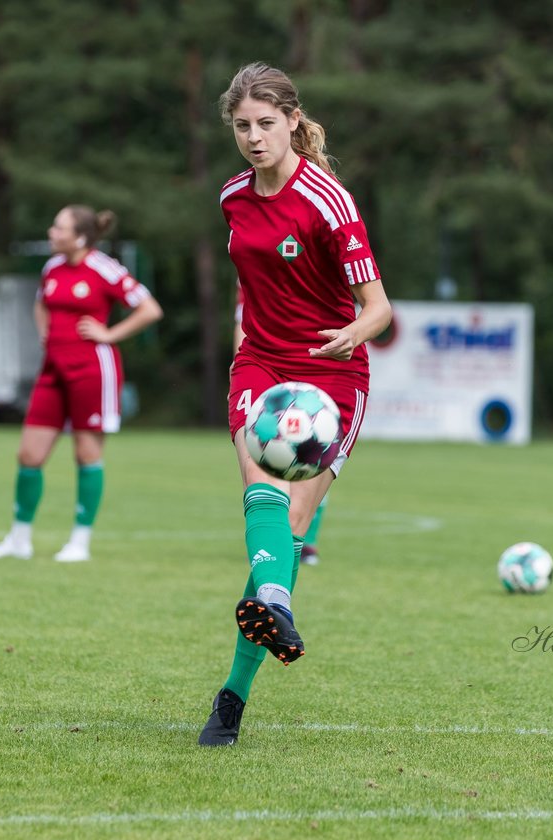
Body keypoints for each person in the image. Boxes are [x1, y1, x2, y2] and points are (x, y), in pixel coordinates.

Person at [199, 63, 392, 746]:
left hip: (333, 373)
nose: (254, 137)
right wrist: (241, 342)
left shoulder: (328, 201)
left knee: (290, 531)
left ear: (291, 121)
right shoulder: (232, 197)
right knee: (263, 495)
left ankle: (233, 693)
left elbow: (379, 309)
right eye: (242, 126)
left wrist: (349, 336)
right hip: (261, 363)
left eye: (265, 124)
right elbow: (251, 283)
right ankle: (273, 605)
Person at [0, 206, 162, 563]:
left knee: (86, 455)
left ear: (79, 237)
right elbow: (41, 306)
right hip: (52, 371)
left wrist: (109, 334)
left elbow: (149, 309)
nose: (51, 232)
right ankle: (19, 539)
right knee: (29, 455)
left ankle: (79, 542)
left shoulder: (104, 268)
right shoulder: (52, 268)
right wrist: (46, 333)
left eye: (58, 227)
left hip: (93, 371)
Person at [234, 283, 328, 566]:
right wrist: (239, 363)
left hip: (316, 369)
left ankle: (303, 538)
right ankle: (276, 543)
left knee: (314, 455)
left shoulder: (325, 252)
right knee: (266, 458)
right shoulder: (255, 256)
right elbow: (242, 319)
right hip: (268, 368)